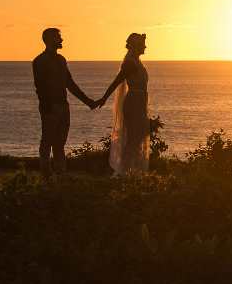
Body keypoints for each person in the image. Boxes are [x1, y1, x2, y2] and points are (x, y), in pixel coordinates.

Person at [31, 26, 94, 174]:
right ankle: (45, 173)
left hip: (63, 106)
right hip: (50, 107)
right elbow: (39, 86)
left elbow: (69, 83)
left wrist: (88, 101)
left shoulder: (61, 60)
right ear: (48, 40)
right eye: (57, 37)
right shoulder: (40, 61)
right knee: (47, 141)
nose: (61, 39)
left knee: (59, 143)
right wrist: (46, 107)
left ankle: (60, 174)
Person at [95, 32, 150, 174]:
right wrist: (104, 98)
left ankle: (131, 170)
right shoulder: (130, 63)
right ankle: (124, 171)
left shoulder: (136, 61)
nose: (145, 46)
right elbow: (117, 82)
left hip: (140, 101)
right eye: (142, 44)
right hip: (134, 102)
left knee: (137, 136)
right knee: (133, 138)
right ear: (136, 46)